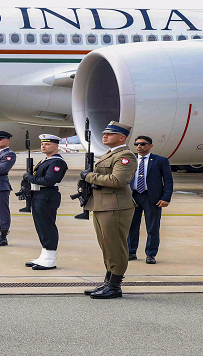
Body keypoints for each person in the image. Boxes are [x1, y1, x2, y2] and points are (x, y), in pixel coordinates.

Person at [81, 121, 138, 299]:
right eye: (104, 133)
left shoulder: (125, 156)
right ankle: (109, 280)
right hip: (103, 205)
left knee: (116, 247)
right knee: (106, 246)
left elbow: (117, 181)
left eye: (110, 134)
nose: (105, 136)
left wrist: (89, 176)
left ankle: (115, 286)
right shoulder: (110, 154)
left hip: (116, 207)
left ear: (122, 137)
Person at [23, 134, 68, 270]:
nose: (43, 146)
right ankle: (44, 255)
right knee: (41, 227)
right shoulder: (45, 160)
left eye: (47, 144)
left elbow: (49, 181)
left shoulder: (57, 162)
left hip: (47, 195)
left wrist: (29, 178)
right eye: (43, 144)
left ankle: (50, 259)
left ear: (56, 146)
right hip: (39, 195)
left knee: (47, 227)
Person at [128, 135, 173, 264]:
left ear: (150, 146)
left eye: (142, 144)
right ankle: (131, 252)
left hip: (152, 198)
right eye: (137, 144)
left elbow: (168, 180)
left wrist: (166, 198)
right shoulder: (131, 160)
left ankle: (151, 254)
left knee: (153, 227)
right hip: (133, 196)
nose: (139, 146)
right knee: (131, 226)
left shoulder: (160, 160)